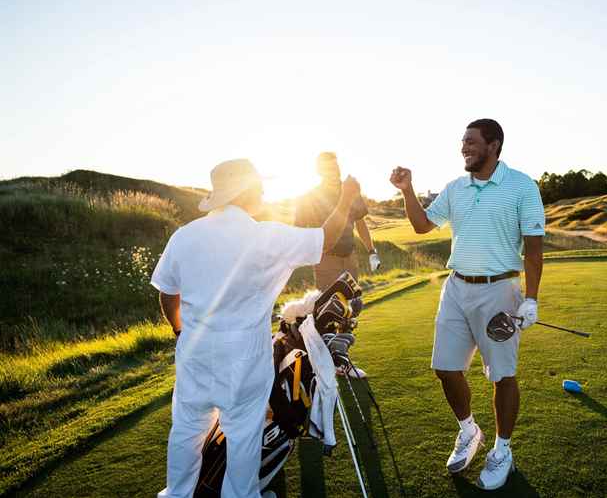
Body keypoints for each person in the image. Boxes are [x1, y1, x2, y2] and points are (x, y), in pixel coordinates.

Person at [151, 158, 361, 498]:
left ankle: (177, 494)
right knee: (243, 434)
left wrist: (180, 332)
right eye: (259, 186)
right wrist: (347, 197)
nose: (264, 192)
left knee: (187, 430)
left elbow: (167, 294)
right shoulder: (265, 236)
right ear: (245, 191)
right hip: (244, 357)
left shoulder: (184, 236)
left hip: (194, 351)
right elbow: (325, 239)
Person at [389, 119, 545, 490]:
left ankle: (502, 450)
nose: (464, 148)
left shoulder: (521, 186)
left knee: (502, 375)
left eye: (471, 142)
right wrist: (407, 190)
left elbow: (534, 248)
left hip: (500, 291)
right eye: (463, 142)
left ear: (494, 145)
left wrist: (531, 299)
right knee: (445, 368)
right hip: (456, 288)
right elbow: (422, 225)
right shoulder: (455, 188)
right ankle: (469, 430)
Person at [295, 152, 379, 378]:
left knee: (351, 308)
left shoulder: (349, 190)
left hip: (349, 257)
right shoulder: (310, 197)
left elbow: (360, 223)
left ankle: (341, 360)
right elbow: (300, 229)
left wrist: (372, 251)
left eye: (336, 166)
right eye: (328, 168)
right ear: (319, 171)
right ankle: (326, 362)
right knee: (328, 311)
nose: (335, 171)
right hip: (326, 259)